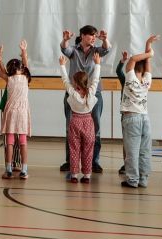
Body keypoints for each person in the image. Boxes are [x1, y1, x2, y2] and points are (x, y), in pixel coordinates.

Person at [59, 25, 110, 173]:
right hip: (74, 94)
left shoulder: (96, 50)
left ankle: (94, 162)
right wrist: (65, 40)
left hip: (94, 94)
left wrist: (105, 40)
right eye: (91, 35)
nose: (93, 38)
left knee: (96, 128)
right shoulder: (74, 50)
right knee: (70, 128)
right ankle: (70, 162)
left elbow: (106, 49)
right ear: (82, 35)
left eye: (95, 35)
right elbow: (64, 49)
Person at [119, 35, 158, 188]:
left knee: (132, 152)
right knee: (144, 151)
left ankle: (133, 180)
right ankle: (143, 179)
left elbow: (133, 59)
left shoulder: (130, 79)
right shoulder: (146, 81)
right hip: (145, 119)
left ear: (133, 68)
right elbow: (146, 64)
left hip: (131, 119)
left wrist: (149, 53)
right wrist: (148, 46)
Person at [59, 51, 101, 184]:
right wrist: (97, 64)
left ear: (75, 82)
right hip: (88, 122)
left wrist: (62, 66)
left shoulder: (72, 93)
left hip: (75, 122)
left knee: (74, 149)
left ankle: (74, 175)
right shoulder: (91, 93)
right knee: (88, 149)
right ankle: (87, 175)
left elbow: (65, 80)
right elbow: (96, 79)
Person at [0, 40, 32, 179]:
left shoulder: (9, 79)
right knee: (23, 141)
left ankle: (8, 170)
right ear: (21, 69)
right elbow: (26, 64)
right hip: (22, 113)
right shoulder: (25, 77)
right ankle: (24, 170)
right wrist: (23, 51)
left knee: (9, 142)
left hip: (11, 112)